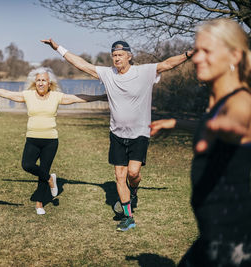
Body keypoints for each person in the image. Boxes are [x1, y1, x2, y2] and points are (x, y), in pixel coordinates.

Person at [42, 38, 193, 231]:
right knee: (120, 176)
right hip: (116, 134)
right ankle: (129, 217)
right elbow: (81, 64)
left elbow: (167, 64)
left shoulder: (144, 72)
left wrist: (187, 55)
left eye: (120, 55)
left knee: (133, 173)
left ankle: (134, 190)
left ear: (129, 56)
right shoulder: (107, 74)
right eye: (114, 55)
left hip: (139, 134)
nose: (116, 58)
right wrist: (58, 48)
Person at [149, 18, 251, 266]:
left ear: (234, 56)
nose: (196, 58)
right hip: (212, 235)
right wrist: (176, 123)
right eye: (196, 51)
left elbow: (241, 116)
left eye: (206, 51)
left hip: (236, 244)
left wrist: (232, 128)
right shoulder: (218, 101)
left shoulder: (239, 102)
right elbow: (212, 123)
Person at [0, 67, 106, 215]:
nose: (41, 83)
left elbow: (77, 97)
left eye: (44, 80)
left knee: (43, 169)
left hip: (50, 141)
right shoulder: (28, 95)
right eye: (38, 80)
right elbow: (7, 94)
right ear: (35, 82)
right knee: (27, 165)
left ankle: (39, 204)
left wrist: (100, 97)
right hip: (33, 139)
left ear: (49, 83)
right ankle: (50, 179)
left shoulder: (56, 96)